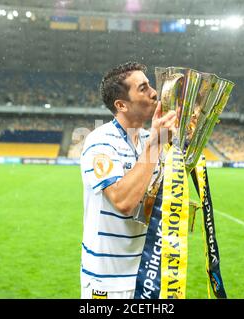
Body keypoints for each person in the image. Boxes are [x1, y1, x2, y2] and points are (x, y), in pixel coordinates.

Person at [80, 61, 177, 299]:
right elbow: (123, 202)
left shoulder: (149, 139)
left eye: (149, 85)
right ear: (121, 105)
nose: (154, 92)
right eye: (143, 88)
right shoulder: (100, 142)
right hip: (107, 281)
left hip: (148, 273)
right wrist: (154, 146)